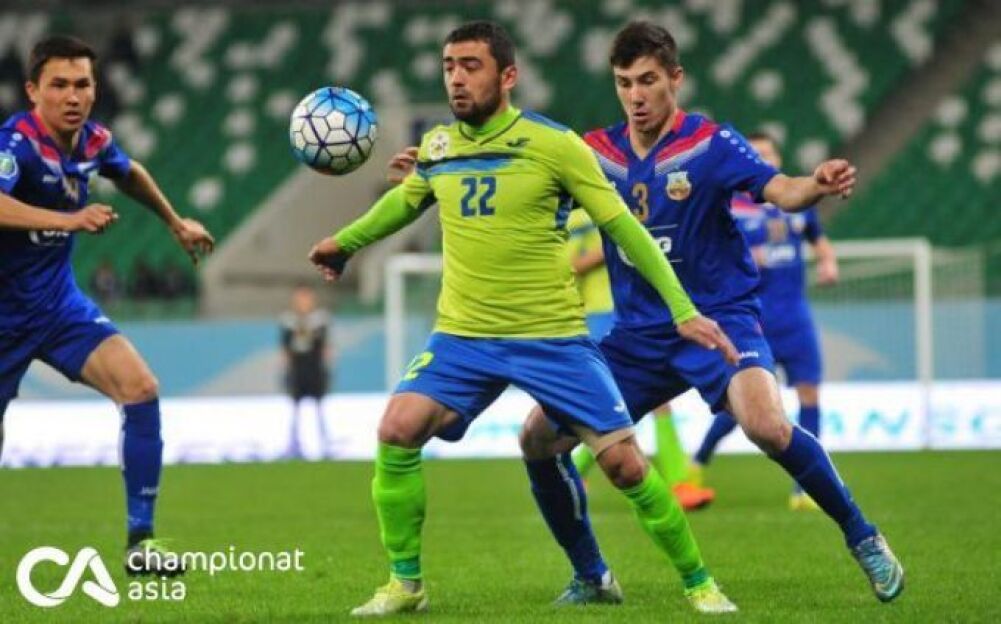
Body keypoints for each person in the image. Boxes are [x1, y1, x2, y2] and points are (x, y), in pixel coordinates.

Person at [310, 20, 739, 617]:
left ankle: (699, 582)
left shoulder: (554, 144)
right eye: (449, 66)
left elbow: (624, 228)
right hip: (464, 335)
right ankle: (405, 583)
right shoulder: (438, 147)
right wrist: (345, 243)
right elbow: (403, 204)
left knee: (622, 464)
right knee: (397, 428)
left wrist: (683, 309)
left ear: (507, 75)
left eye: (471, 66)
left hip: (552, 337)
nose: (457, 79)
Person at [515, 21, 903, 604]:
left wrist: (816, 183)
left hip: (720, 320)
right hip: (637, 336)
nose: (635, 95)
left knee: (766, 425)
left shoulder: (710, 144)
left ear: (676, 78)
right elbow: (526, 188)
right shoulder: (595, 152)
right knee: (537, 438)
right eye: (624, 83)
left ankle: (863, 535)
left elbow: (781, 190)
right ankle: (591, 575)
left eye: (648, 80)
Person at [0, 35, 214, 574]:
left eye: (83, 84)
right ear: (33, 91)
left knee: (140, 389)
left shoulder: (92, 140)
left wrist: (175, 222)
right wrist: (69, 219)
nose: (73, 96)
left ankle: (141, 543)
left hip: (57, 306)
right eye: (59, 85)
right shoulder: (15, 144)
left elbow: (129, 170)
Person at [688, 132, 839, 511]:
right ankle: (699, 460)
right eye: (756, 154)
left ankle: (804, 490)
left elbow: (818, 239)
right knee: (745, 406)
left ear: (778, 158)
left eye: (768, 153)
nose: (764, 159)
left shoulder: (798, 205)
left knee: (809, 393)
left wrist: (827, 261)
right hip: (754, 319)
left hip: (796, 317)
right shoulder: (733, 207)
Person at [565, 207, 715, 510]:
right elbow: (566, 266)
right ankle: (676, 482)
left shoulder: (615, 202)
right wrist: (612, 247)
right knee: (614, 406)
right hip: (597, 316)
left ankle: (677, 483)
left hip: (633, 314)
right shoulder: (574, 216)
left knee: (647, 403)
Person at [280, 284, 332, 459]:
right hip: (297, 369)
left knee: (319, 407)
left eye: (306, 298)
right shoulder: (288, 321)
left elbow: (325, 347)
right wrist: (286, 370)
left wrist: (326, 368)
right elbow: (285, 348)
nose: (304, 302)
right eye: (300, 298)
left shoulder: (320, 320)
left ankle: (324, 444)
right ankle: (293, 444)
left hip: (314, 368)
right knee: (295, 408)